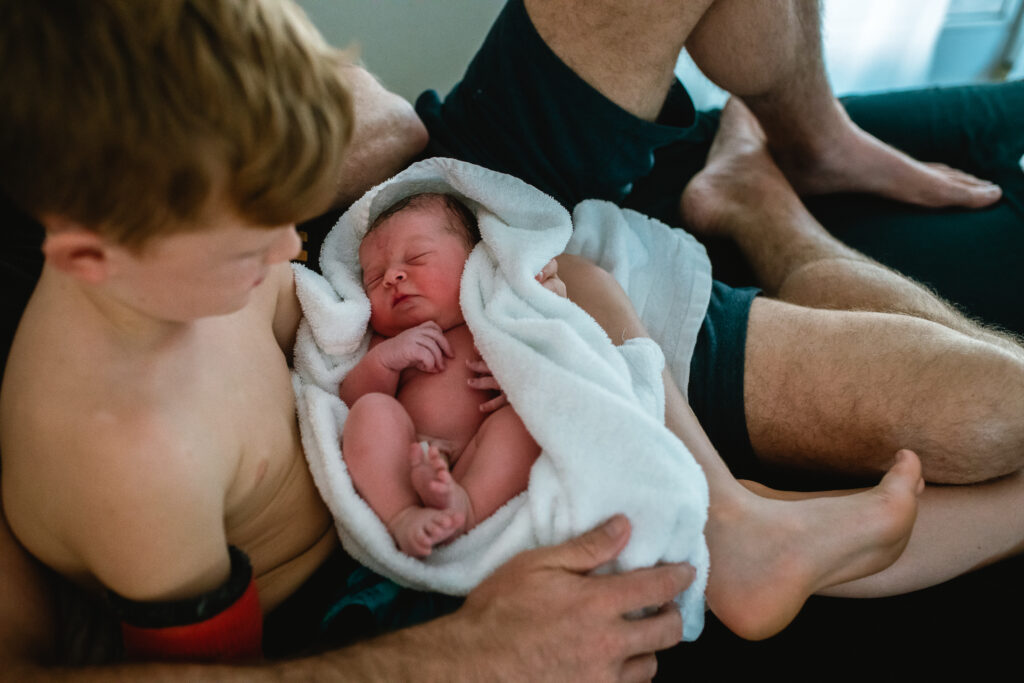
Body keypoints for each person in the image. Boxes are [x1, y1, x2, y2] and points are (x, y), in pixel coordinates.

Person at [0, 0, 1019, 678]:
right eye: (246, 244)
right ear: (89, 256)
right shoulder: (131, 455)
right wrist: (465, 646)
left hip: (431, 270)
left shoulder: (170, 179)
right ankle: (743, 433)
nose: (284, 250)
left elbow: (327, 264)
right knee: (990, 414)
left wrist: (410, 287)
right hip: (430, 508)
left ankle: (804, 151)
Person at [340, 192, 544, 557]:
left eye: (416, 258)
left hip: (480, 454)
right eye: (373, 280)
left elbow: (554, 358)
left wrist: (519, 376)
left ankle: (466, 505)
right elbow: (351, 400)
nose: (392, 277)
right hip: (407, 452)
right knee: (371, 410)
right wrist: (385, 361)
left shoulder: (496, 314)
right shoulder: (387, 340)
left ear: (472, 261)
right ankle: (402, 513)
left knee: (525, 422)